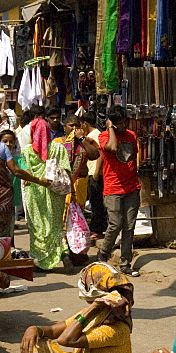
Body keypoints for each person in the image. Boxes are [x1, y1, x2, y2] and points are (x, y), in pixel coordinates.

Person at [20, 107, 72, 271]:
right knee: (56, 225)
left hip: (34, 194)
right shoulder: (59, 148)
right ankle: (63, 253)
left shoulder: (26, 151)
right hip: (55, 193)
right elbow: (66, 170)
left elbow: (24, 172)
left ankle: (41, 261)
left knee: (37, 227)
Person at [97, 104, 141, 277]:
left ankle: (125, 263)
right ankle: (104, 253)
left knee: (129, 226)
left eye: (125, 122)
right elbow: (113, 148)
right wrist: (110, 128)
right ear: (112, 123)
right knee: (115, 224)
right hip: (113, 188)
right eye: (119, 123)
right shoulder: (104, 136)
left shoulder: (131, 136)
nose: (124, 126)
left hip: (131, 187)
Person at [60, 114, 101, 209]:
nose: (74, 128)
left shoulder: (85, 142)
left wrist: (81, 138)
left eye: (77, 126)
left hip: (81, 183)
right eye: (71, 125)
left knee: (77, 215)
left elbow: (95, 155)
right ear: (65, 127)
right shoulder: (58, 142)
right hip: (64, 184)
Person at [81, 111, 107, 239]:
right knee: (95, 201)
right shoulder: (94, 135)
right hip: (92, 171)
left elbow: (100, 154)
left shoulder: (94, 135)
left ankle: (98, 229)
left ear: (85, 124)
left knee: (96, 202)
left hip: (95, 172)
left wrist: (96, 172)